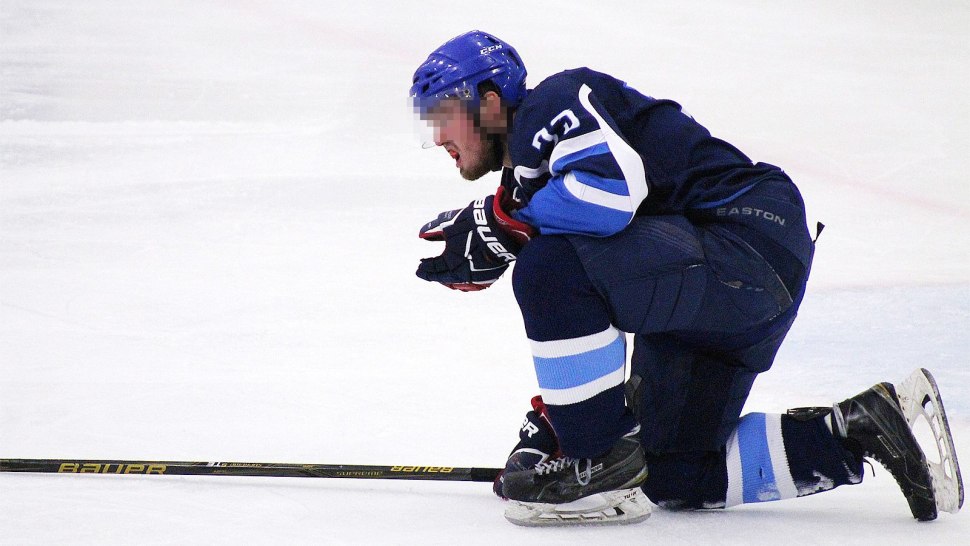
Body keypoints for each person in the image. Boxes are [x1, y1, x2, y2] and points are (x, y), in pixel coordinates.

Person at [409, 30, 963, 526]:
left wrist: (507, 225)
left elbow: (608, 194)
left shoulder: (548, 105)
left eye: (444, 113)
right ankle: (860, 429)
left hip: (742, 239)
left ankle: (594, 456)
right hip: (735, 282)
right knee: (667, 471)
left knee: (550, 269)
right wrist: (560, 417)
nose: (438, 137)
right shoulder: (528, 177)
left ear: (490, 101)